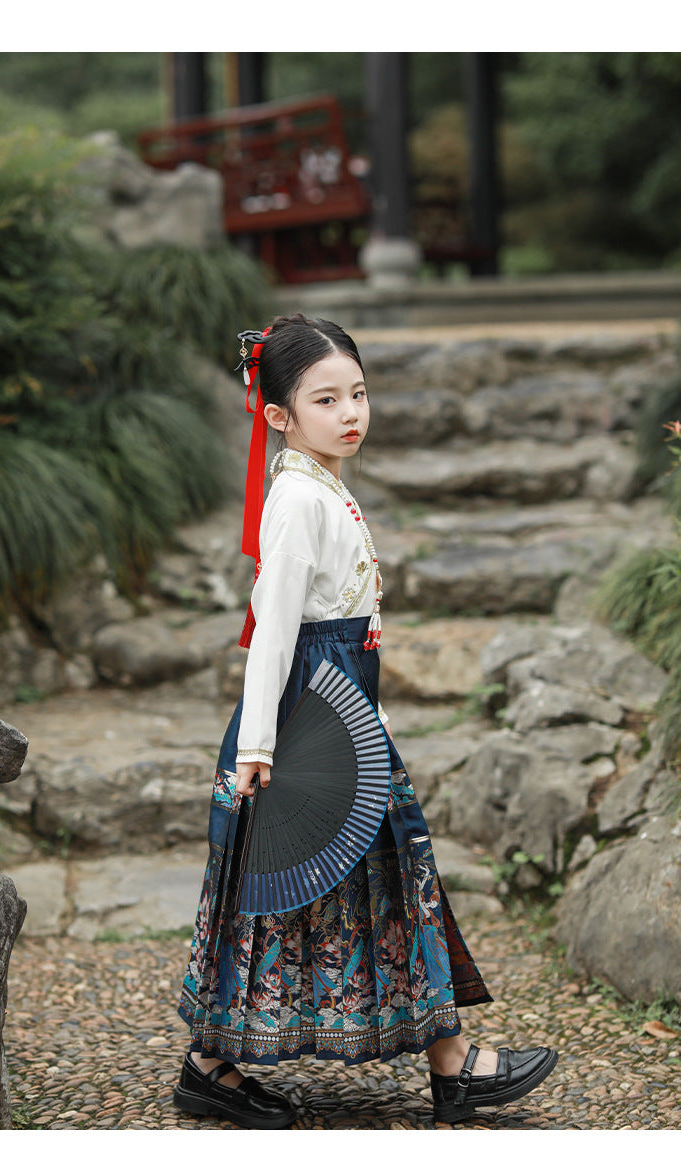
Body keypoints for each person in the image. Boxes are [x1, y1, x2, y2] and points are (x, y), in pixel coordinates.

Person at [173, 313, 558, 1129]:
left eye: (358, 392)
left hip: (336, 707)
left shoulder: (321, 486)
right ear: (278, 415)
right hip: (310, 718)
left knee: (367, 873)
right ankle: (220, 1064)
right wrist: (257, 747)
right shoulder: (298, 502)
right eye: (325, 399)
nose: (351, 412)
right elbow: (274, 627)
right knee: (328, 876)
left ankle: (440, 1061)